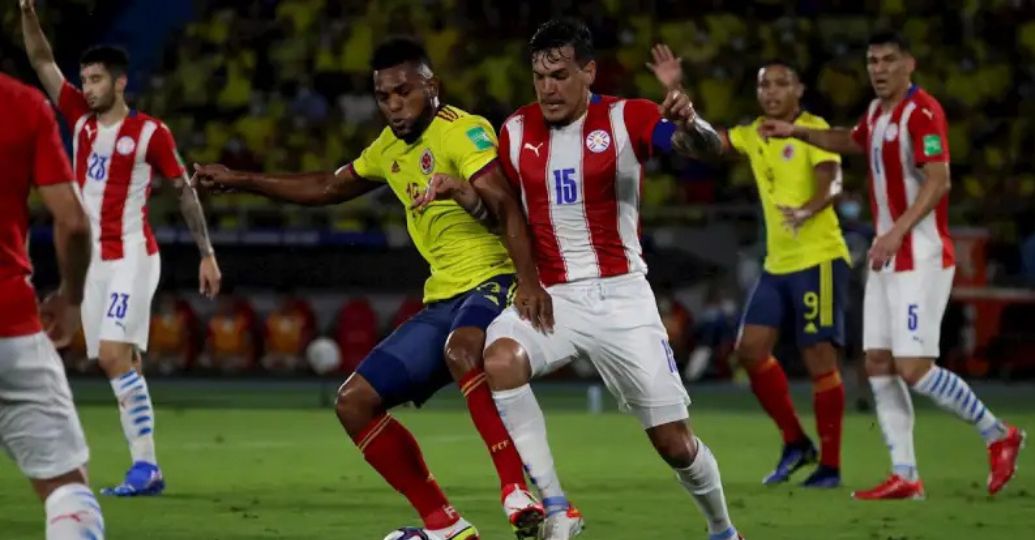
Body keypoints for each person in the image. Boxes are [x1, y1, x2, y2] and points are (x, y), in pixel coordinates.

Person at [194, 38, 551, 540]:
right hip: (444, 298)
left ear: (431, 87)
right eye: (384, 96)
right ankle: (445, 525)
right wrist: (242, 180)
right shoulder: (387, 149)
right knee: (354, 401)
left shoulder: (464, 132)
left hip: (494, 280)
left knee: (462, 349)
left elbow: (507, 207)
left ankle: (515, 489)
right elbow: (327, 187)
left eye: (403, 91)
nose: (394, 105)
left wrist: (529, 281)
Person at [427, 19, 742, 540]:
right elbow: (503, 215)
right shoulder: (515, 131)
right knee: (499, 360)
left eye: (560, 74)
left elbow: (704, 150)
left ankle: (723, 529)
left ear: (588, 72)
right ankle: (557, 508)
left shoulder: (627, 117)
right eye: (539, 76)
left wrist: (693, 122)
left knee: (674, 443)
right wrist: (463, 193)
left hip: (623, 298)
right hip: (553, 298)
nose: (548, 87)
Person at [760, 30, 1025, 499]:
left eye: (887, 60)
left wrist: (898, 230)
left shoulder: (922, 113)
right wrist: (798, 130)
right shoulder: (878, 114)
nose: (878, 69)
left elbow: (939, 180)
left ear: (909, 65)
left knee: (914, 366)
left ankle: (997, 433)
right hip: (888, 256)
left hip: (918, 255)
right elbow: (849, 140)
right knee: (878, 362)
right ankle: (906, 473)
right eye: (872, 61)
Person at [21, 0, 222, 497]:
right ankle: (146, 468)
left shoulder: (151, 133)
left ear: (119, 82)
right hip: (93, 265)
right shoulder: (79, 120)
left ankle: (145, 469)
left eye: (95, 80)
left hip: (133, 254)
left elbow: (183, 190)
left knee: (113, 355)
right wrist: (27, 11)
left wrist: (207, 253)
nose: (86, 88)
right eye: (84, 80)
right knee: (116, 360)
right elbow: (42, 62)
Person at [649, 46, 849, 488]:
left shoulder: (812, 129)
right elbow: (706, 142)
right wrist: (675, 91)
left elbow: (833, 179)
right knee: (750, 350)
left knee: (820, 360)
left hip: (819, 259)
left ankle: (831, 466)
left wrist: (810, 207)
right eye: (764, 84)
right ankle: (796, 442)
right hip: (777, 266)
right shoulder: (756, 132)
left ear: (799, 89)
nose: (772, 91)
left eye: (781, 83)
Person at [0, 71, 105, 539]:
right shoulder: (21, 104)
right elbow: (74, 222)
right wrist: (71, 297)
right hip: (10, 328)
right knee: (67, 488)